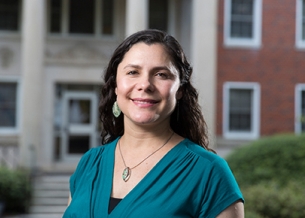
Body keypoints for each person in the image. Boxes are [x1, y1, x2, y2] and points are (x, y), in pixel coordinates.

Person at [63, 29, 244, 218]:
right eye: (133, 72)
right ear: (116, 85)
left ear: (180, 89)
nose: (145, 84)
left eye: (161, 74)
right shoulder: (89, 163)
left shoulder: (209, 172)